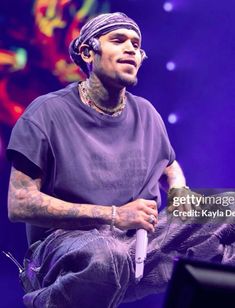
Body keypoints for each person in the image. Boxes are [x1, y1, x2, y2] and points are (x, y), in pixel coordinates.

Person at [7, 12, 235, 308]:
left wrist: (179, 190)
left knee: (229, 208)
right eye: (118, 40)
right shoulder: (46, 112)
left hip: (142, 239)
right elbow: (20, 202)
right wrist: (114, 215)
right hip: (67, 246)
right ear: (88, 52)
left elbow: (169, 164)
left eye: (136, 45)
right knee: (106, 256)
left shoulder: (147, 113)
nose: (130, 49)